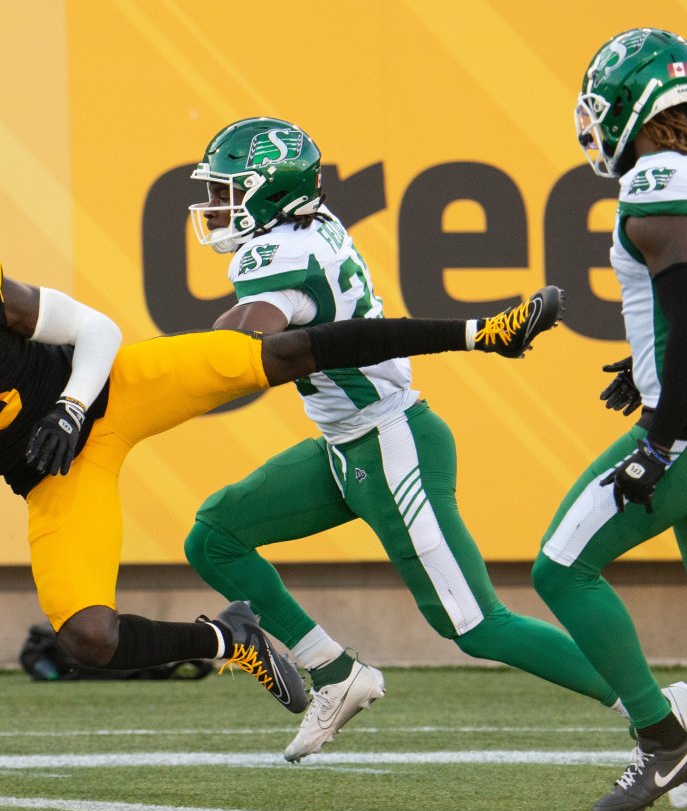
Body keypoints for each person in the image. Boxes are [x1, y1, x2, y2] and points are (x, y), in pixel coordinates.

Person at [0, 157, 564, 710]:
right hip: (52, 477)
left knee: (280, 351)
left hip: (110, 395)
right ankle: (227, 640)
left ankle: (479, 330)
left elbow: (96, 328)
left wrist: (71, 406)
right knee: (87, 637)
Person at [178, 117, 627, 766]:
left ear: (268, 191)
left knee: (477, 624)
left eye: (228, 190)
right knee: (214, 536)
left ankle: (655, 707)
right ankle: (335, 674)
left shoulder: (276, 252)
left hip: (392, 447)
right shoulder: (312, 225)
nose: (216, 206)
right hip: (345, 449)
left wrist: (191, 360)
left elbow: (250, 331)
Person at [529, 27, 687, 811]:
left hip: (685, 431)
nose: (595, 125)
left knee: (561, 568)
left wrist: (660, 436)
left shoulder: (659, 175)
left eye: (604, 108)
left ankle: (664, 739)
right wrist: (647, 362)